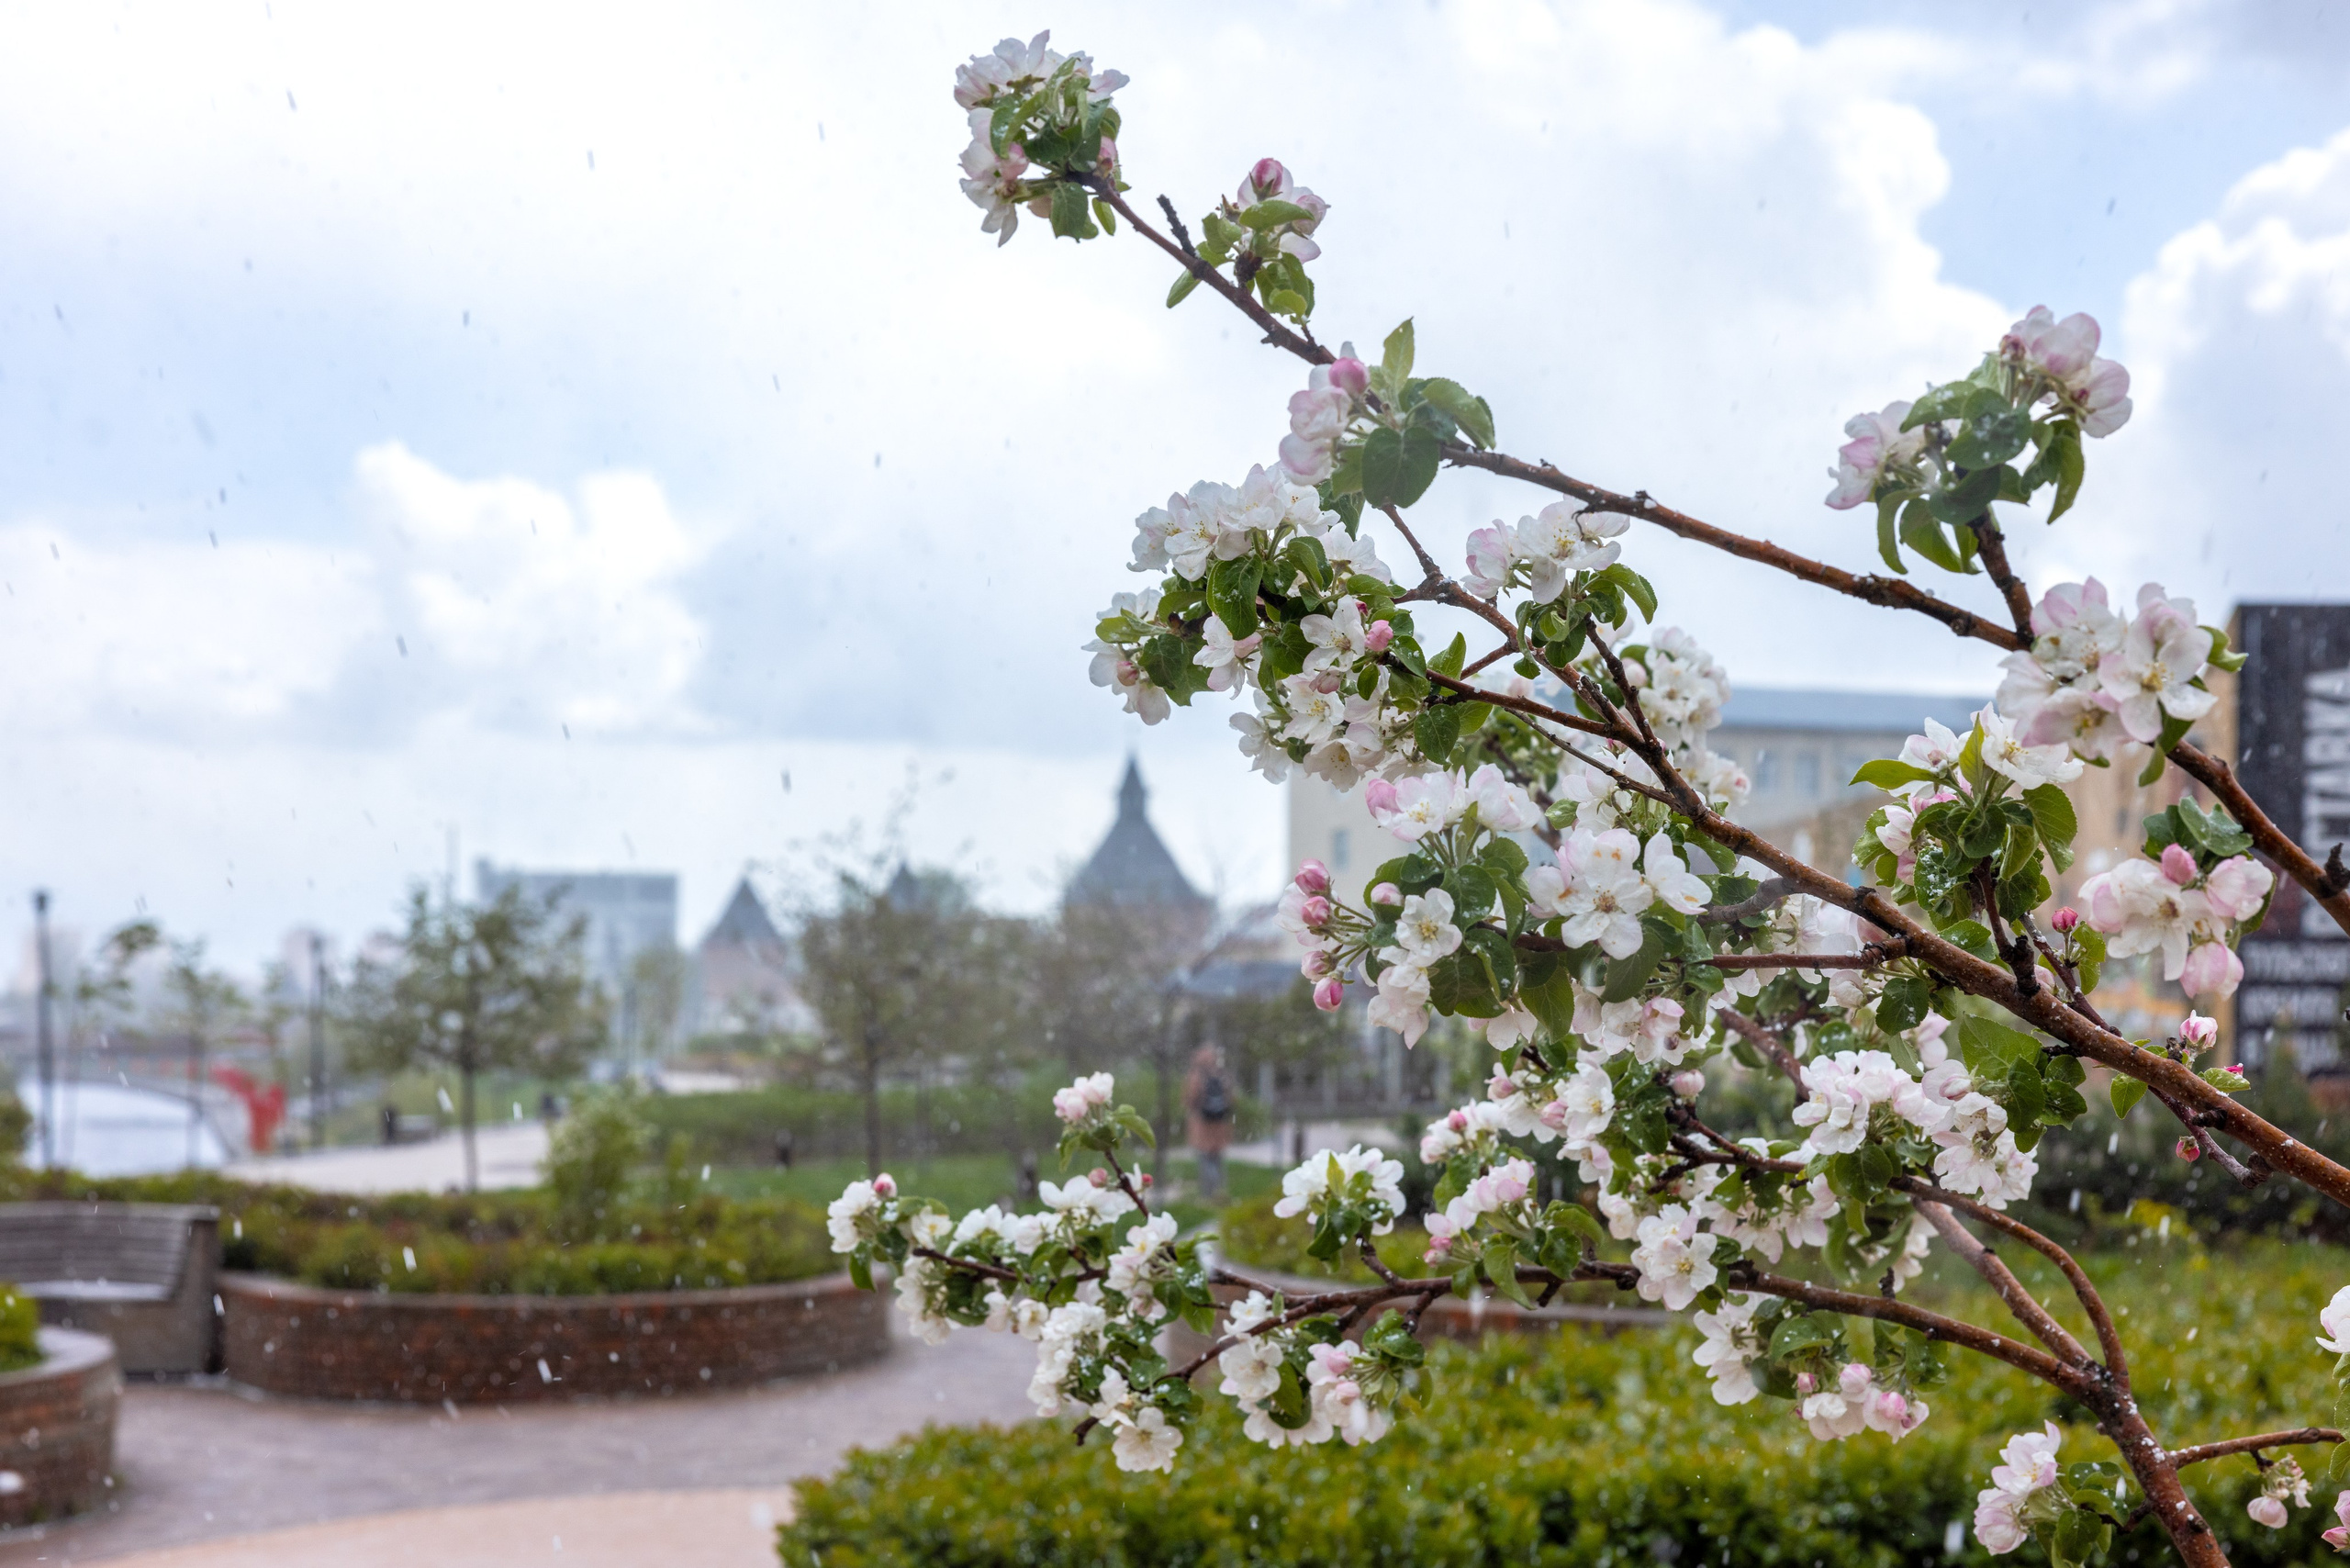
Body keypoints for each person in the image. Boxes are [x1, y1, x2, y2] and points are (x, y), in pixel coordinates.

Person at [1184, 1044, 1235, 1203]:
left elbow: (1190, 1098)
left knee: (1205, 1159)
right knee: (1216, 1159)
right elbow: (1232, 1098)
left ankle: (1209, 1194)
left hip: (1203, 1124)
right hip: (1219, 1123)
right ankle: (1219, 1192)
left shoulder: (1196, 1076)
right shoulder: (1222, 1075)